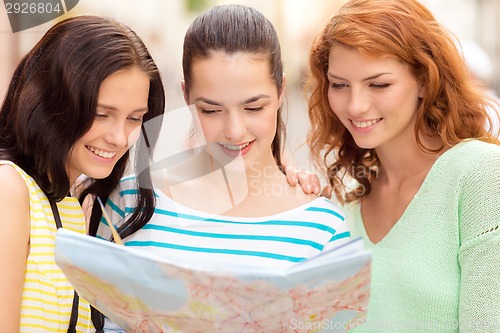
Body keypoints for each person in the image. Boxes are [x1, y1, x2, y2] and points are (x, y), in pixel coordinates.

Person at [93, 4, 351, 331]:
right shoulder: (131, 201)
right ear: (187, 96)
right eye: (212, 110)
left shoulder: (322, 229)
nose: (234, 130)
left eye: (253, 107)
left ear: (281, 91)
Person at [306, 0, 500, 331]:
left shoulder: (481, 174)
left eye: (378, 84)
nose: (355, 105)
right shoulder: (344, 197)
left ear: (425, 80)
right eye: (339, 84)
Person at [0, 15, 165, 332]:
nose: (119, 137)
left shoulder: (69, 206)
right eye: (101, 114)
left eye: (134, 118)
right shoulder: (10, 191)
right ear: (50, 101)